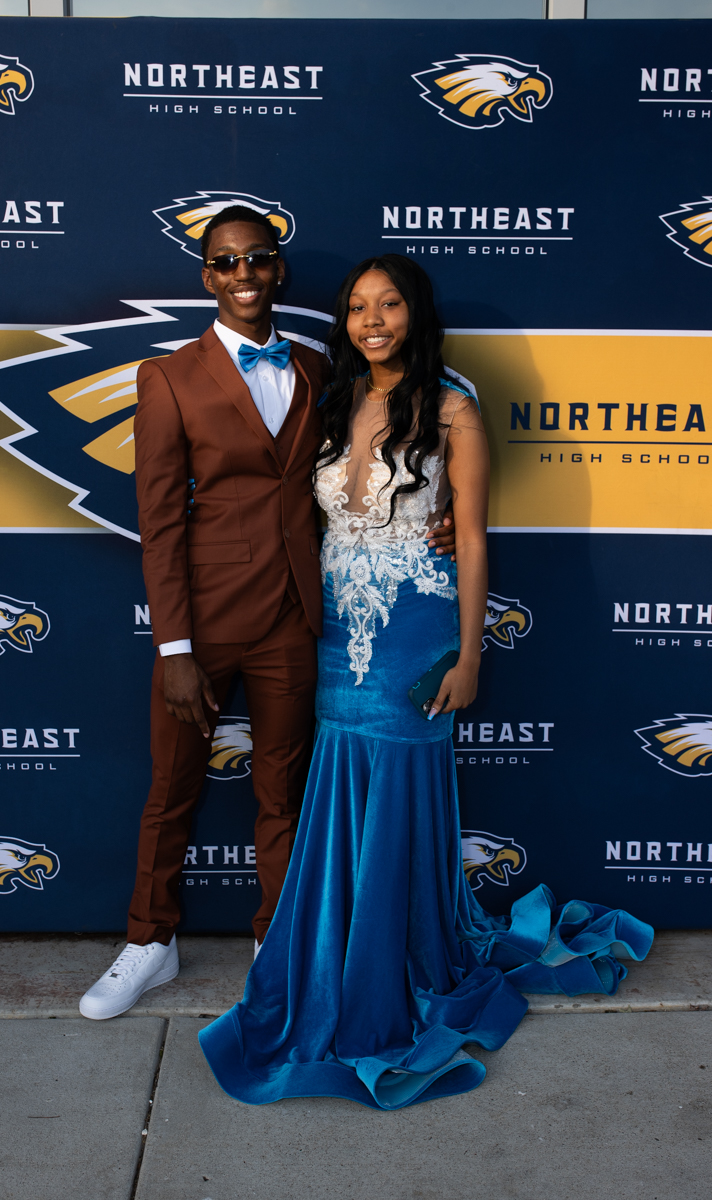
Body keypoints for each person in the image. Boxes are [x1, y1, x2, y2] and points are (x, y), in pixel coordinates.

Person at [198, 255, 654, 1109]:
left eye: (390, 304)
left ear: (416, 314)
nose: (372, 320)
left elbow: (471, 538)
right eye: (357, 306)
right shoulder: (330, 401)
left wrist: (471, 655)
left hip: (416, 633)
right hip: (337, 632)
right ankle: (337, 958)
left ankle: (394, 966)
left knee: (400, 784)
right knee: (341, 784)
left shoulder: (453, 410)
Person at [79, 215, 455, 1021]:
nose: (242, 272)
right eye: (225, 262)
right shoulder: (168, 377)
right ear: (207, 277)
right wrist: (174, 646)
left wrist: (442, 513)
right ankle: (150, 941)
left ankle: (278, 943)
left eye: (256, 258)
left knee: (284, 794)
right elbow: (159, 522)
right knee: (172, 787)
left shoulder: (321, 368)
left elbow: (377, 462)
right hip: (204, 622)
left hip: (294, 619)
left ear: (278, 270)